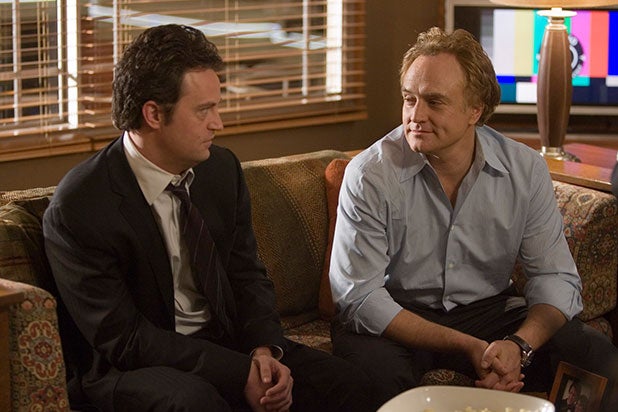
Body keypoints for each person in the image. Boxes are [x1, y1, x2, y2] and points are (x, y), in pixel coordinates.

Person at [43, 24, 374, 412]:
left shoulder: (220, 169)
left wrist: (264, 351)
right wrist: (239, 373)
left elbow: (247, 274)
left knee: (351, 385)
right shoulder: (79, 207)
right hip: (132, 366)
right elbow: (125, 339)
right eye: (204, 110)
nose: (218, 123)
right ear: (153, 114)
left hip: (226, 342)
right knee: (197, 402)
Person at [328, 26, 618, 410]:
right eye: (409, 99)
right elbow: (359, 298)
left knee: (594, 354)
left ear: (475, 110)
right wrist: (469, 347)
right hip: (396, 315)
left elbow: (555, 279)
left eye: (434, 102)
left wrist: (518, 345)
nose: (416, 115)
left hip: (487, 311)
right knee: (377, 377)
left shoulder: (524, 169)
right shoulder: (370, 175)